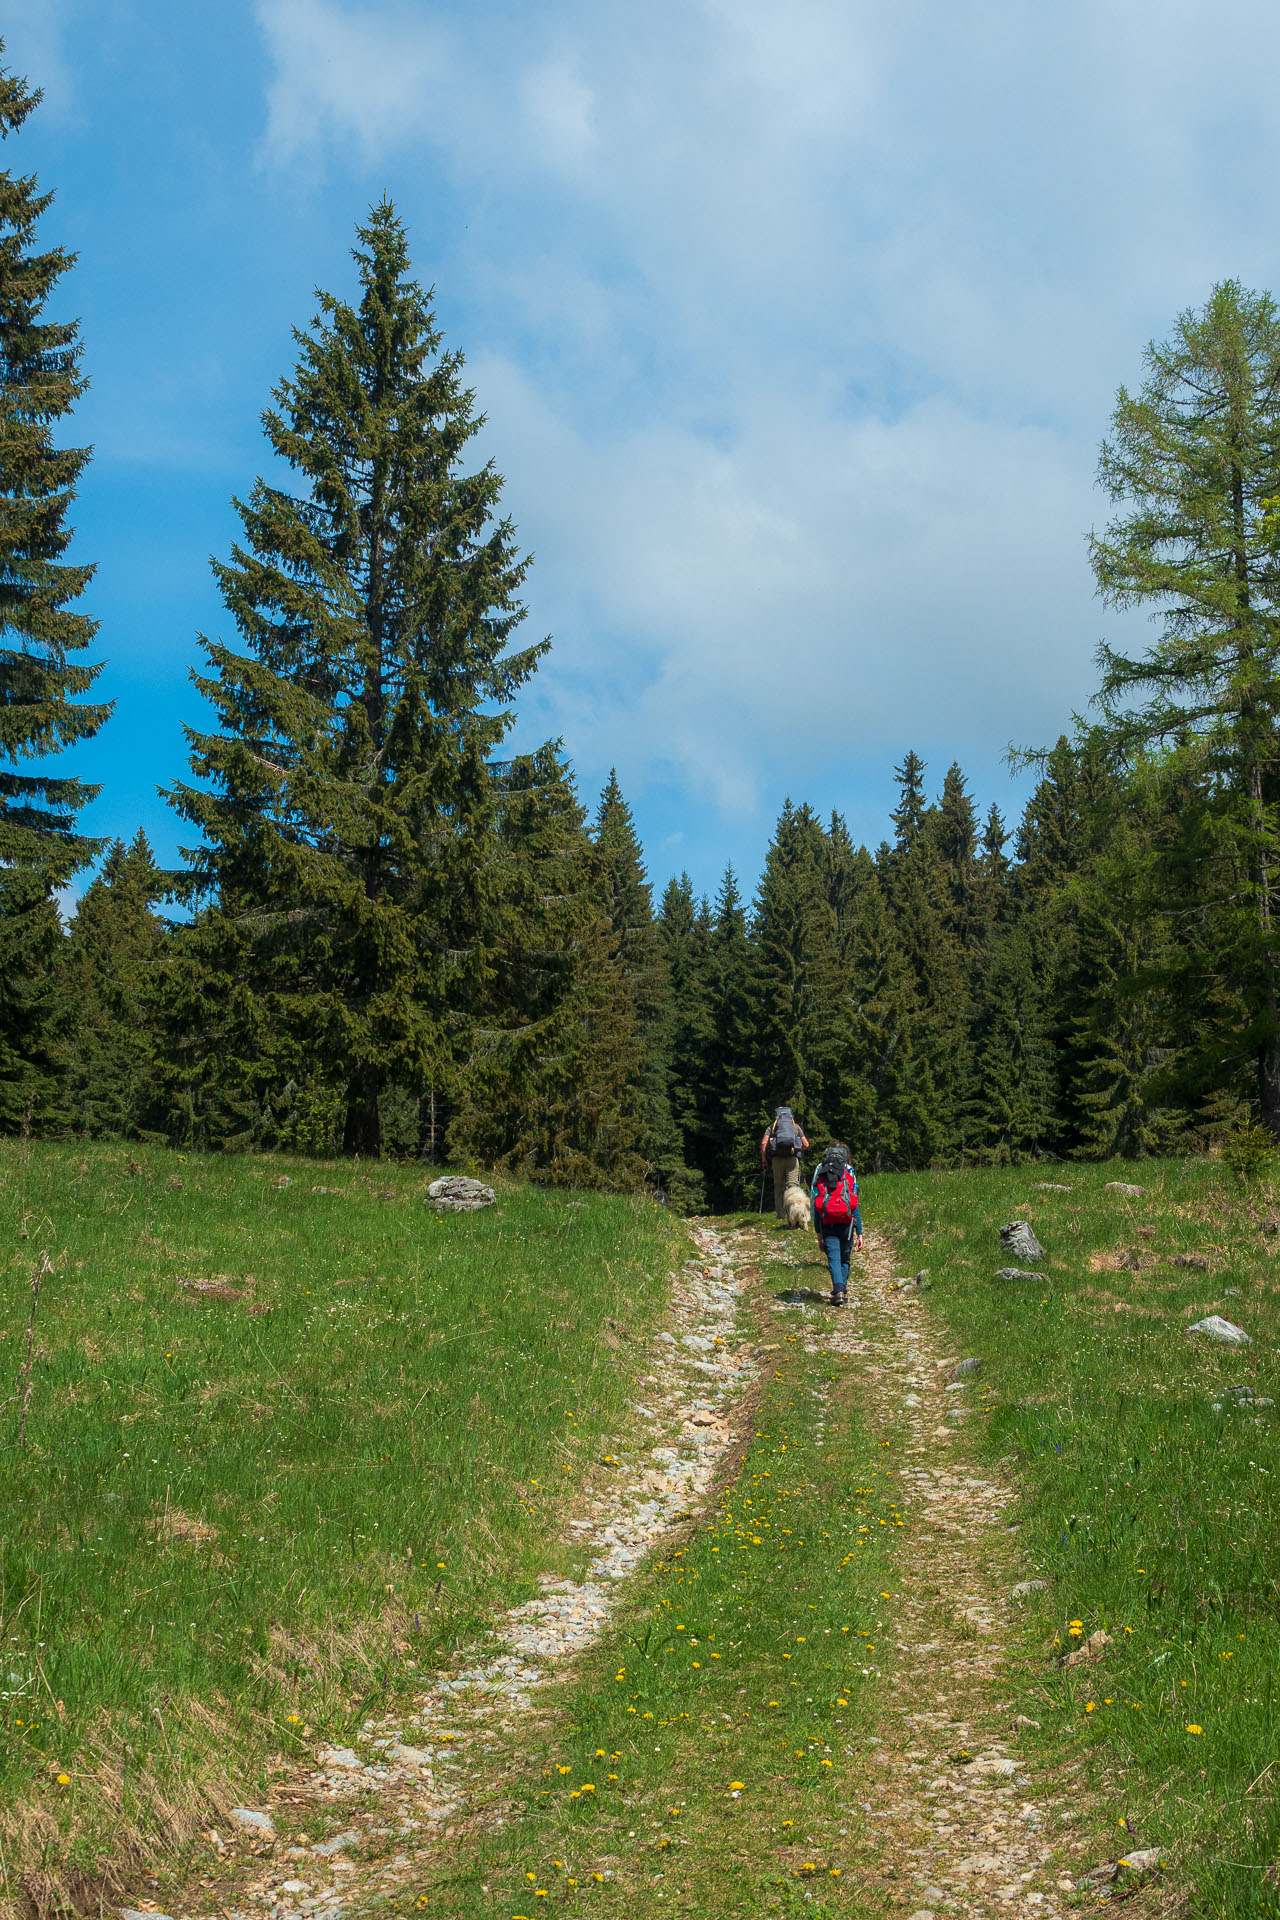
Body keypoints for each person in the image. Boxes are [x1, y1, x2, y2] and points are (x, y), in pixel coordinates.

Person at [811, 1140, 862, 1306]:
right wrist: (859, 1232)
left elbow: (817, 1205)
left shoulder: (821, 1174)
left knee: (833, 1258)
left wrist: (818, 1233)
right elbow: (855, 1205)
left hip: (828, 1224)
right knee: (845, 1259)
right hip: (847, 1224)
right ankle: (842, 1289)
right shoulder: (849, 1174)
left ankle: (838, 1290)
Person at [760, 1105, 809, 1218]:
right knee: (793, 1186)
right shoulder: (795, 1127)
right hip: (792, 1159)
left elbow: (763, 1144)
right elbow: (806, 1144)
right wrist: (797, 1149)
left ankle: (781, 1215)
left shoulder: (771, 1127)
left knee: (779, 1187)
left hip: (777, 1160)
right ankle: (794, 1214)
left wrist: (764, 1161)